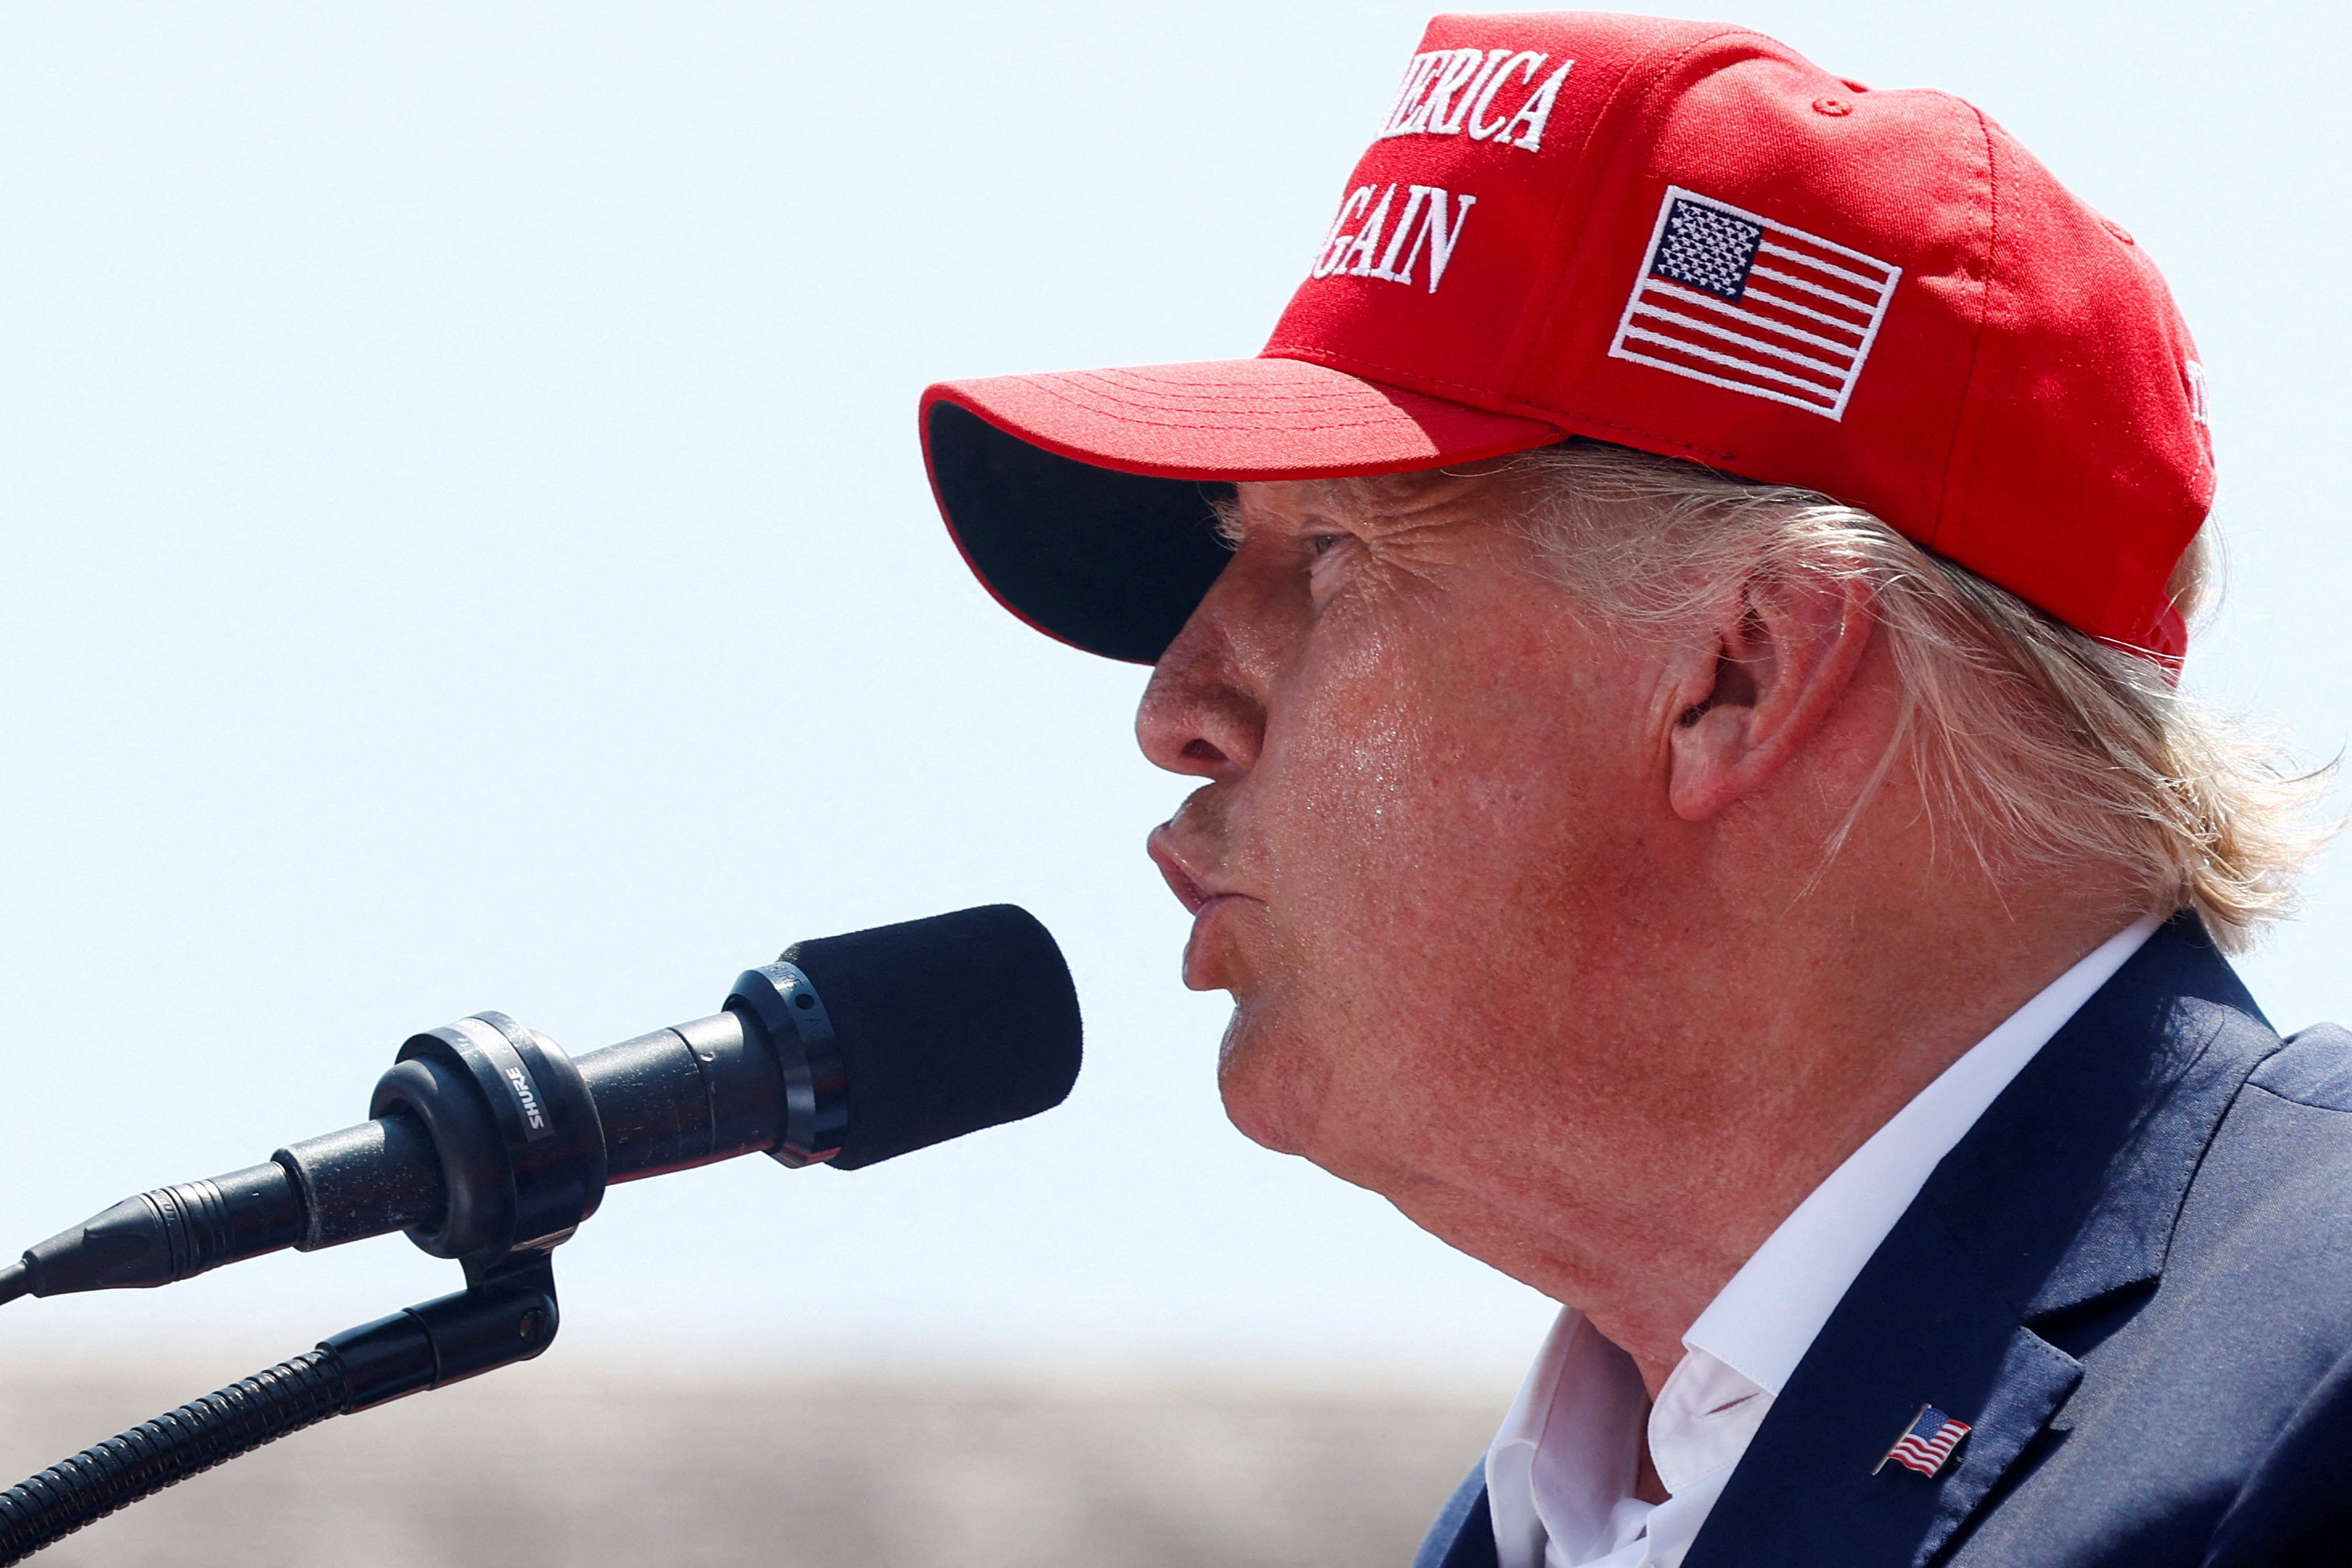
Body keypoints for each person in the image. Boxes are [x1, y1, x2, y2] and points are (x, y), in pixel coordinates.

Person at [916, 13, 2349, 1566]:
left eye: (1331, 560)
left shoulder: (2313, 1366)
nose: (1176, 709)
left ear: (1738, 668)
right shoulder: (1551, 1509)